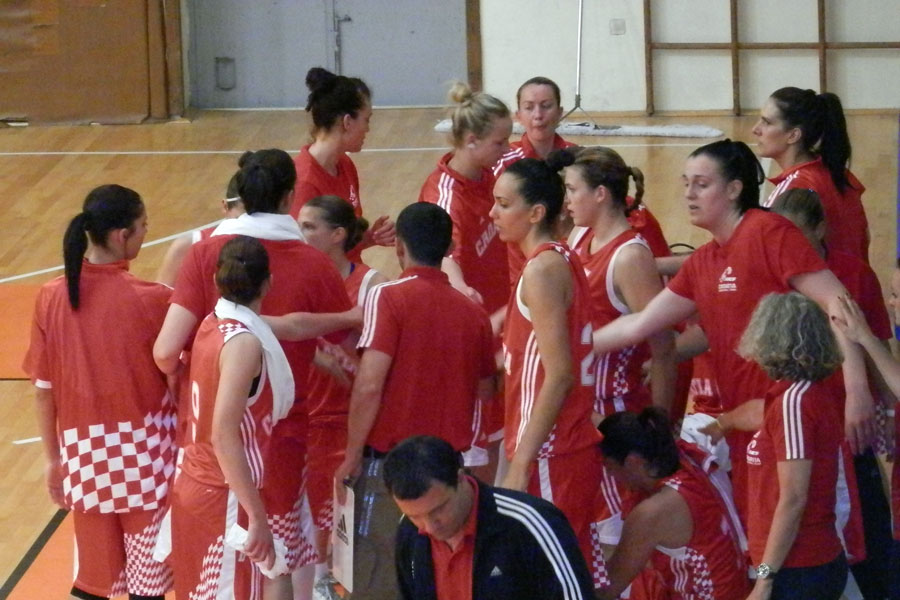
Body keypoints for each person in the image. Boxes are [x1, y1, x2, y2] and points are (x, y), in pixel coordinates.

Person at [591, 139, 873, 526]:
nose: (689, 194)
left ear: (734, 189)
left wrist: (857, 390)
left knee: (811, 540)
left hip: (796, 422)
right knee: (763, 538)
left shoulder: (768, 231)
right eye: (686, 183)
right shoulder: (706, 260)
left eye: (702, 184)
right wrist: (570, 347)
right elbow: (642, 323)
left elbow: (838, 303)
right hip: (746, 423)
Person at [153, 149, 355, 600]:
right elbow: (340, 343)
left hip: (202, 456)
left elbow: (165, 352)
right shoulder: (312, 264)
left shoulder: (205, 265)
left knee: (206, 576)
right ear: (289, 197)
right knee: (277, 561)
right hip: (272, 447)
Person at [325, 202, 496, 600]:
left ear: (399, 247)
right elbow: (486, 390)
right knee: (440, 578)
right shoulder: (473, 313)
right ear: (448, 249)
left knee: (374, 580)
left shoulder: (386, 297)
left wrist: (351, 455)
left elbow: (369, 385)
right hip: (448, 472)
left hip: (392, 469)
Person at [24, 184, 175, 600]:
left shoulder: (50, 297)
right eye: (143, 227)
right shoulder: (154, 300)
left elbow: (43, 390)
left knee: (95, 584)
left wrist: (53, 460)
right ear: (122, 235)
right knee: (148, 588)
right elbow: (180, 380)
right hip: (148, 464)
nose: (146, 233)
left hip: (85, 462)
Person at [489, 156, 606, 589]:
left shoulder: (542, 269)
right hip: (559, 447)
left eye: (504, 204)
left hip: (552, 453)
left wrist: (520, 463)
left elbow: (559, 375)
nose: (492, 213)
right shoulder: (560, 258)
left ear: (536, 212)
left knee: (555, 581)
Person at [171, 236, 292, 599]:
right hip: (224, 492)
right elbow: (224, 435)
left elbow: (291, 326)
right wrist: (256, 515)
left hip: (196, 480)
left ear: (216, 281)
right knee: (269, 570)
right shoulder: (243, 343)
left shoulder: (211, 323)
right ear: (268, 283)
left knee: (275, 568)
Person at [295, 195, 387, 595]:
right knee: (314, 518)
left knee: (352, 520)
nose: (300, 234)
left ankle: (346, 584)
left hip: (355, 418)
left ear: (337, 235)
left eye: (309, 227)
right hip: (308, 415)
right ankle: (321, 583)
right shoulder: (294, 281)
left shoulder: (372, 285)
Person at [385, 435, 596, 600]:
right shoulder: (409, 531)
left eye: (439, 509)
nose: (429, 527)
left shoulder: (529, 523)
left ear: (461, 478)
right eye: (415, 516)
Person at [740, 292, 848, 600]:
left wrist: (764, 578)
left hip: (798, 568)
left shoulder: (795, 403)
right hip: (795, 566)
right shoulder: (801, 396)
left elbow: (794, 499)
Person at [596, 408, 749, 600]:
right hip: (741, 584)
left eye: (609, 467)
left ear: (632, 462)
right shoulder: (686, 455)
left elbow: (607, 589)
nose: (610, 476)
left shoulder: (652, 513)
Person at [418, 80, 512, 312]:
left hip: (499, 302)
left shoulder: (489, 173)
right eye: (499, 142)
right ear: (471, 140)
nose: (507, 148)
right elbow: (444, 255)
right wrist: (460, 287)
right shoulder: (446, 198)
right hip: (470, 311)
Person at [752, 86, 869, 262]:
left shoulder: (793, 191)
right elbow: (864, 237)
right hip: (857, 277)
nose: (755, 129)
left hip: (825, 279)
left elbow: (762, 252)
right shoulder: (840, 174)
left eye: (767, 122)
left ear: (793, 135)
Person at [291, 67, 394, 257]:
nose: (368, 129)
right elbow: (305, 258)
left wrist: (369, 238)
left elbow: (342, 244)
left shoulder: (345, 164)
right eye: (366, 120)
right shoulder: (304, 183)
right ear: (347, 122)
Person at [155, 169, 245, 287]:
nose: (246, 227)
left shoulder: (267, 243)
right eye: (240, 219)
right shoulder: (187, 246)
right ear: (225, 206)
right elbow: (161, 296)